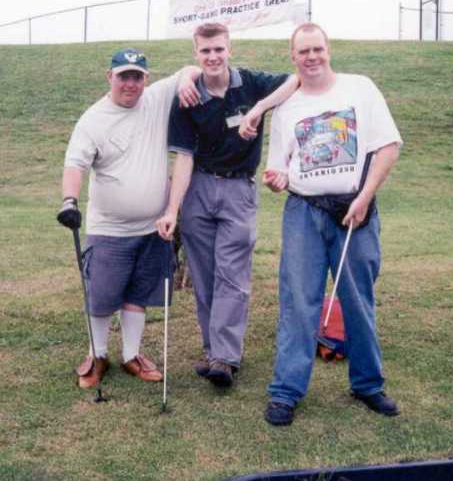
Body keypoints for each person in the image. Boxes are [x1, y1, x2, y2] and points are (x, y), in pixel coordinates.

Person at [262, 23, 403, 426]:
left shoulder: (360, 88)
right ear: (293, 57)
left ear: (329, 50)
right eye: (303, 51)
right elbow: (278, 170)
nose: (311, 57)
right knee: (298, 302)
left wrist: (363, 197)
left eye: (317, 49)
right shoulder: (287, 108)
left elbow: (388, 146)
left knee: (358, 299)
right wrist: (278, 181)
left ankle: (368, 385)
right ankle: (286, 392)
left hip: (355, 212)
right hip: (304, 214)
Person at [156, 23, 298, 388]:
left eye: (218, 49)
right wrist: (173, 210)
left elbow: (295, 80)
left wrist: (259, 110)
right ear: (196, 54)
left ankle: (226, 358)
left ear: (229, 49)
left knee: (232, 273)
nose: (213, 57)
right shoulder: (187, 97)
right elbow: (184, 158)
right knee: (203, 275)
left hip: (239, 189)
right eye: (205, 52)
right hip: (199, 188)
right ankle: (212, 351)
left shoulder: (250, 83)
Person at [57, 48, 201, 389]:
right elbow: (75, 164)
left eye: (137, 76)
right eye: (124, 76)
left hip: (152, 227)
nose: (130, 83)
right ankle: (98, 354)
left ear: (145, 80)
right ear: (110, 77)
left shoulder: (155, 98)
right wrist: (69, 201)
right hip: (109, 228)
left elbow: (190, 66)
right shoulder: (93, 119)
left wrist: (185, 80)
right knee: (103, 295)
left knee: (138, 294)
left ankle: (131, 355)